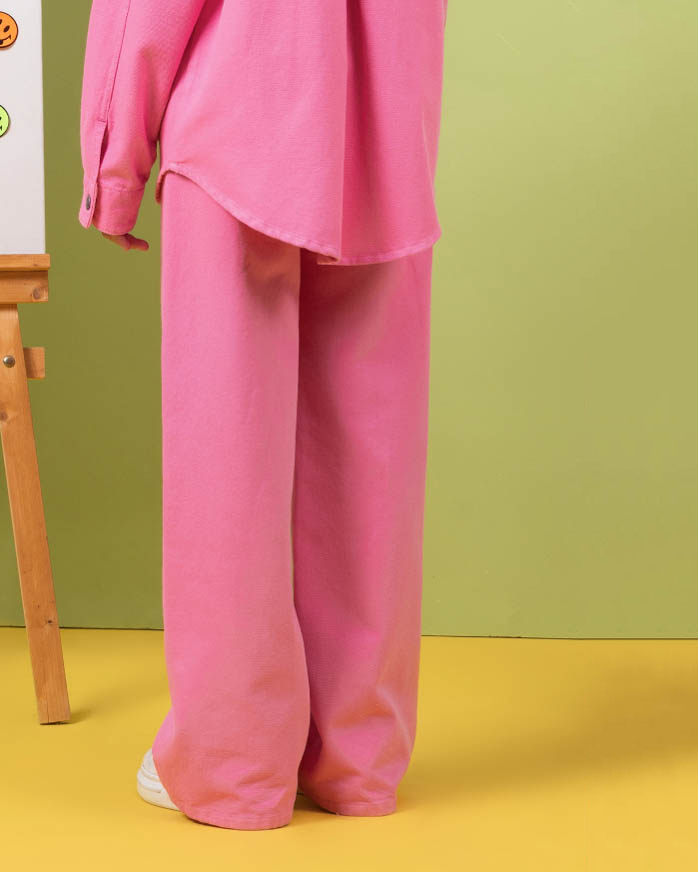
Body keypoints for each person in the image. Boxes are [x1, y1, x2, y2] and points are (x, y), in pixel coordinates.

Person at [78, 0, 449, 831]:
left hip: (240, 119)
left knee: (230, 451)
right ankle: (357, 760)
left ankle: (235, 763)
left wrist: (114, 160)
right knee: (371, 455)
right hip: (386, 132)